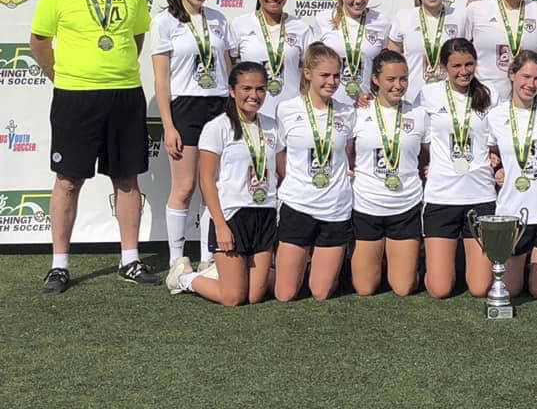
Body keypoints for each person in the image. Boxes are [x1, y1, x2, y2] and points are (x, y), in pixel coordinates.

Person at [30, 0, 158, 292]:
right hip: (75, 97)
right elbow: (39, 41)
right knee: (68, 181)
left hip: (124, 94)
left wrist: (113, 70)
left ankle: (130, 260)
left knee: (127, 177)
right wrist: (65, 78)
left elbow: (136, 37)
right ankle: (59, 265)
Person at [166, 62, 280, 306]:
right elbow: (206, 180)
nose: (254, 96)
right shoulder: (217, 127)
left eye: (260, 89)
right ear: (231, 91)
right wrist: (220, 225)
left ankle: (230, 273)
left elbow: (283, 172)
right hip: (232, 216)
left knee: (254, 296)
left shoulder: (272, 126)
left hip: (265, 215)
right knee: (233, 298)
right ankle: (185, 277)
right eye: (246, 89)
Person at [152, 0, 232, 274]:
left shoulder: (219, 19)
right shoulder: (164, 22)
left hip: (218, 106)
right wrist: (169, 125)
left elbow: (229, 67)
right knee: (184, 187)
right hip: (185, 107)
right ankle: (176, 259)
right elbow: (161, 80)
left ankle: (208, 256)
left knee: (212, 185)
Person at [273, 43, 356, 301]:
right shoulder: (286, 110)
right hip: (298, 205)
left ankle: (316, 264)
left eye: (336, 76)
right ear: (308, 73)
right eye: (325, 75)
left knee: (320, 293)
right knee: (285, 294)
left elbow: (349, 154)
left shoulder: (348, 112)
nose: (332, 82)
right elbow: (280, 155)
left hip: (335, 209)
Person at [418, 38, 498, 299]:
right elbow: (421, 137)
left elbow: (498, 140)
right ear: (443, 67)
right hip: (442, 196)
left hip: (481, 195)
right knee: (440, 290)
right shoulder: (429, 93)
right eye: (456, 66)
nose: (463, 71)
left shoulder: (490, 94)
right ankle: (427, 269)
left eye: (469, 64)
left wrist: (496, 159)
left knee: (480, 288)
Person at [487, 51, 537, 299]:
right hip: (513, 211)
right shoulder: (496, 115)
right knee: (510, 289)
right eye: (526, 76)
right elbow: (490, 152)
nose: (531, 84)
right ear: (512, 74)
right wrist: (498, 167)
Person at [350, 50, 429, 296]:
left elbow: (427, 154)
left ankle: (400, 263)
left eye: (403, 79)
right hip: (367, 206)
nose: (398, 85)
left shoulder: (419, 115)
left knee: (403, 288)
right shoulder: (358, 113)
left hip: (405, 206)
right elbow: (345, 152)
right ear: (375, 80)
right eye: (391, 80)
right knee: (364, 289)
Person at [228, 0, 312, 120]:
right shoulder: (240, 25)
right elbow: (230, 65)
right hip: (251, 112)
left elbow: (310, 71)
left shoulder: (301, 28)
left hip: (292, 113)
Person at [386, 0, 467, 103]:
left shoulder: (460, 16)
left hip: (451, 101)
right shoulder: (403, 17)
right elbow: (391, 61)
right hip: (411, 100)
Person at [314, 0, 391, 105]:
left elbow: (387, 69)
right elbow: (313, 66)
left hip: (367, 105)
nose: (358, 0)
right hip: (331, 105)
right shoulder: (323, 19)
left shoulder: (382, 22)